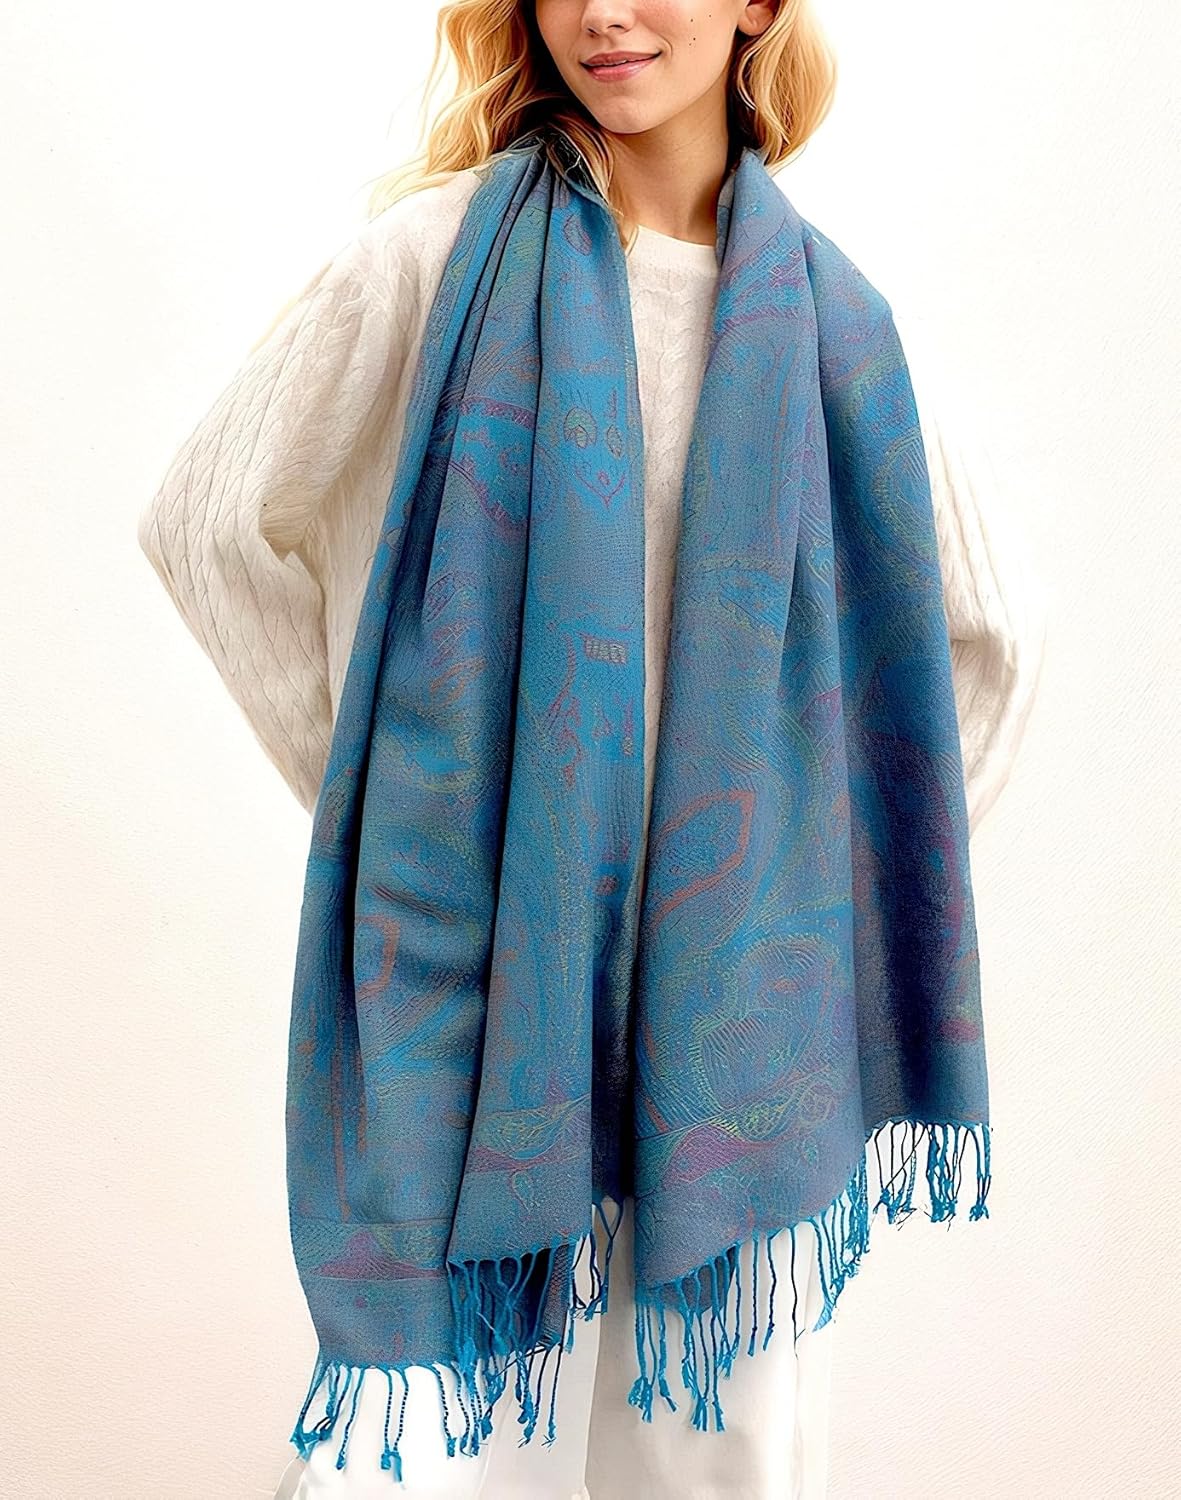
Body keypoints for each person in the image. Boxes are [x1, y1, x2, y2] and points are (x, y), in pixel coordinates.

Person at [137, 3, 1047, 1496]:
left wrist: (799, 905)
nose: (602, 14)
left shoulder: (833, 319)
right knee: (401, 1467)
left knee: (711, 1465)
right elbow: (210, 521)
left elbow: (986, 636)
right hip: (481, 976)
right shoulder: (433, 261)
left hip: (731, 1007)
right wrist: (385, 813)